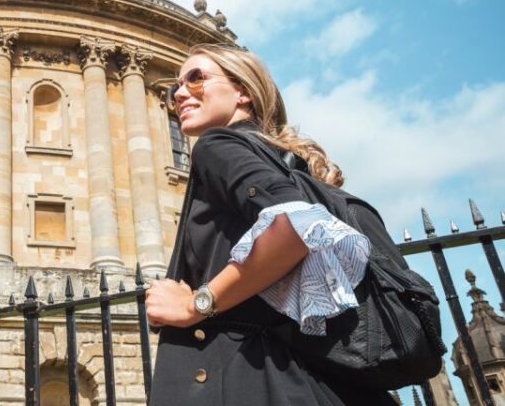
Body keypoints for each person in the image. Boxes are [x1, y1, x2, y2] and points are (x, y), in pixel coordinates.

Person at [146, 44, 394, 405]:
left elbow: (297, 226)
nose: (180, 92)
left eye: (197, 79)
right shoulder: (278, 157)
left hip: (255, 378)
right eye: (175, 87)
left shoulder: (216, 145)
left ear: (243, 92)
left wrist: (196, 304)